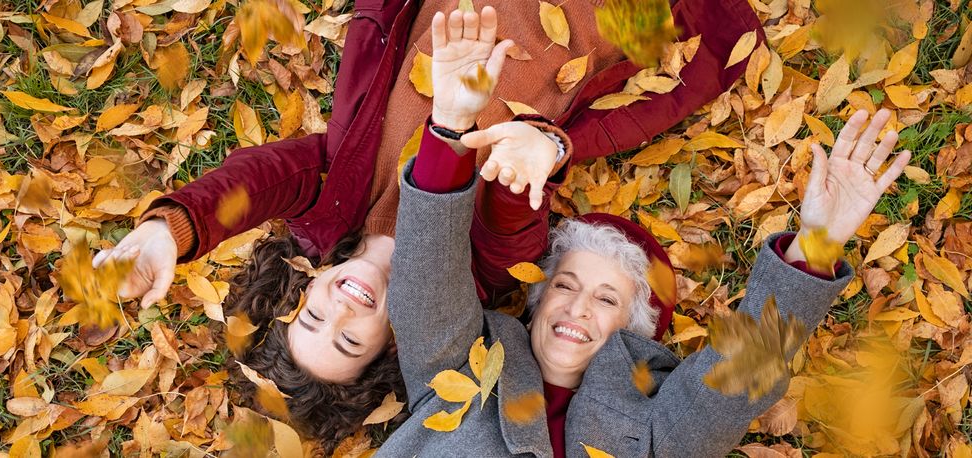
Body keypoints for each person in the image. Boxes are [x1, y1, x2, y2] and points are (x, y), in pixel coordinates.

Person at [92, 0, 757, 448]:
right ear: (389, 347)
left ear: (301, 291)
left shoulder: (327, 210)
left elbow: (260, 178)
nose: (341, 313)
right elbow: (513, 215)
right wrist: (532, 149)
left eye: (312, 319)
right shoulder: (477, 271)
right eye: (350, 343)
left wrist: (170, 231)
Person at [380, 94, 910, 458]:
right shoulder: (461, 364)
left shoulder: (655, 429)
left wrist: (818, 242)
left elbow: (739, 380)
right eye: (565, 286)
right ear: (538, 302)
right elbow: (425, 282)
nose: (577, 308)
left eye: (607, 299)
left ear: (629, 333)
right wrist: (449, 127)